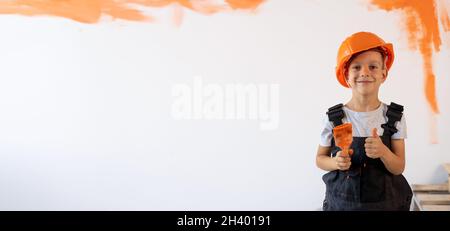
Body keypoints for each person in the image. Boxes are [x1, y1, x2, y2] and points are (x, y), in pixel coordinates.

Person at [316, 31, 413, 210]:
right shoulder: (336, 118)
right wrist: (335, 162)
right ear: (346, 74)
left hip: (387, 205)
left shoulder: (393, 117)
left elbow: (399, 167)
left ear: (384, 74)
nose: (365, 72)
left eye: (373, 67)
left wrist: (384, 152)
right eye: (356, 67)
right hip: (342, 205)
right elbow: (320, 159)